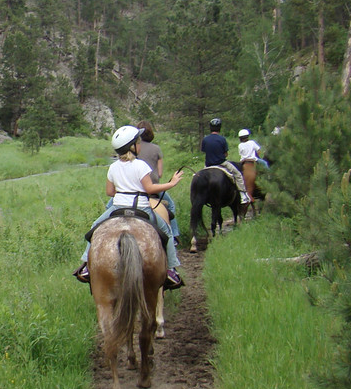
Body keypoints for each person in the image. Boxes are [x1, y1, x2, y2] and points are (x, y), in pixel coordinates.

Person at [73, 125, 182, 286]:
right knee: (166, 231)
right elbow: (150, 188)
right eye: (138, 142)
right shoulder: (141, 166)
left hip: (117, 208)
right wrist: (171, 183)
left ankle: (86, 265)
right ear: (132, 147)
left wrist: (124, 191)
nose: (139, 145)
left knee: (95, 227)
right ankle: (171, 269)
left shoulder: (113, 167)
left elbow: (110, 192)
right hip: (141, 207)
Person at [135, 120, 181, 251]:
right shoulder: (156, 149)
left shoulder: (132, 149)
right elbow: (159, 174)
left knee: (110, 206)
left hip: (133, 189)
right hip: (152, 187)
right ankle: (175, 235)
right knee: (170, 205)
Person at [199, 118, 247, 204]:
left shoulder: (205, 139)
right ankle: (243, 195)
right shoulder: (222, 139)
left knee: (199, 177)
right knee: (238, 174)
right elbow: (225, 154)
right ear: (219, 128)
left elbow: (204, 151)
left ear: (210, 128)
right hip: (221, 163)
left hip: (208, 165)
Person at [237, 129, 262, 208]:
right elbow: (259, 150)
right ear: (247, 136)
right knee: (265, 165)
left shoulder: (240, 145)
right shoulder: (252, 142)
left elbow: (241, 154)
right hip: (252, 161)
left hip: (243, 162)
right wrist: (256, 156)